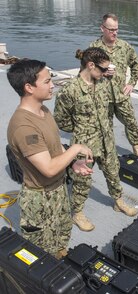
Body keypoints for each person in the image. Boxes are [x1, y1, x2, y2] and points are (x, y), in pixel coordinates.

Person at [6, 59, 93, 258]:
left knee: (61, 238)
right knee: (40, 254)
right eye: (46, 81)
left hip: (59, 190)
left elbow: (55, 148)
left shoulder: (43, 111)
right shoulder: (24, 127)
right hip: (40, 199)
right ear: (29, 87)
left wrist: (73, 162)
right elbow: (48, 168)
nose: (52, 84)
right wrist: (77, 148)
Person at [54, 47, 138, 232]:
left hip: (106, 139)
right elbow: (61, 120)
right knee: (82, 180)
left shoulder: (103, 83)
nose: (105, 72)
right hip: (85, 144)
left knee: (113, 171)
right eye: (102, 69)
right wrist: (81, 130)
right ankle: (77, 213)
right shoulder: (70, 90)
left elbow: (114, 104)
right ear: (90, 65)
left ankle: (118, 201)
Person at [90, 13, 138, 161]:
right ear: (102, 28)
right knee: (105, 126)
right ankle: (108, 153)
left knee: (131, 122)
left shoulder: (124, 47)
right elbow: (86, 70)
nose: (114, 33)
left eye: (116, 29)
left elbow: (136, 65)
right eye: (111, 29)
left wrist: (132, 83)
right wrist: (101, 72)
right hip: (102, 96)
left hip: (121, 95)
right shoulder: (94, 48)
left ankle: (137, 149)